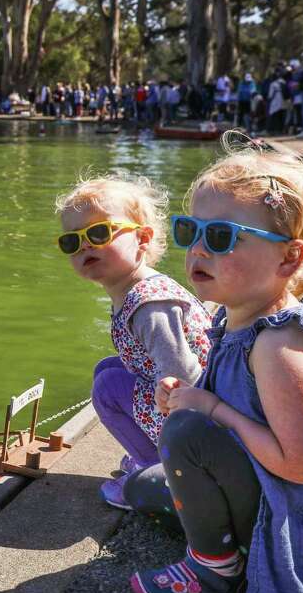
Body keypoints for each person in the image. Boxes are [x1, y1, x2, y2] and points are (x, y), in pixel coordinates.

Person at [126, 139, 303, 593]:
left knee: (185, 434)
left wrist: (210, 410)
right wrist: (186, 395)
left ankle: (217, 574)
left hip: (288, 509)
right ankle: (225, 542)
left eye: (223, 237)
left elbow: (302, 466)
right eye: (191, 231)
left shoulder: (279, 348)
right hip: (257, 479)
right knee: (143, 486)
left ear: (289, 259)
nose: (197, 250)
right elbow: (231, 399)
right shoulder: (236, 319)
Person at [55, 175, 213, 509]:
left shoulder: (149, 305)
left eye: (99, 233)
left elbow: (184, 374)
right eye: (72, 241)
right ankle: (150, 452)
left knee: (109, 386)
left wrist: (181, 442)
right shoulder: (132, 291)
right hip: (185, 407)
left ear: (141, 238)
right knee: (108, 368)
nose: (85, 245)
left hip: (199, 419)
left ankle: (153, 466)